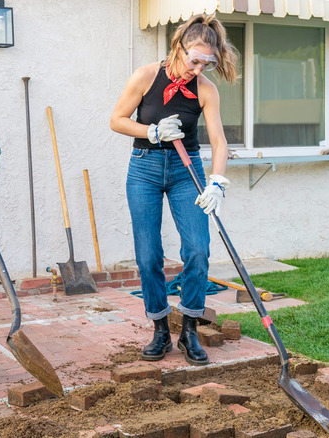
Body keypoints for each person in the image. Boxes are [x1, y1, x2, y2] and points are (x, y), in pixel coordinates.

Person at [109, 14, 238, 365]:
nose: (198, 69)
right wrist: (151, 132)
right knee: (149, 254)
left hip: (187, 171)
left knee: (198, 249)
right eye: (194, 60)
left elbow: (219, 141)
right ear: (178, 47)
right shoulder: (146, 76)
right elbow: (117, 119)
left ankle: (190, 331)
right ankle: (160, 330)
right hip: (145, 168)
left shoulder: (205, 89)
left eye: (206, 63)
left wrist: (217, 182)